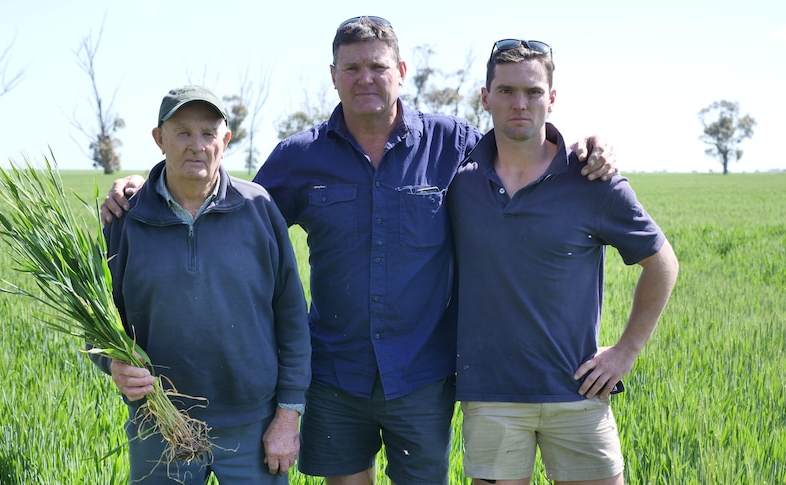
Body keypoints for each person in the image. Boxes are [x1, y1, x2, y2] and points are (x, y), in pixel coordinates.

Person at [100, 18, 617, 485]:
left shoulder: (452, 143)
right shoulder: (298, 157)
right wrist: (141, 186)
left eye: (377, 66)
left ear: (402, 71)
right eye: (352, 68)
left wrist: (584, 146)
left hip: (421, 375)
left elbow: (521, 147)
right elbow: (224, 214)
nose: (365, 77)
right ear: (333, 75)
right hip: (333, 374)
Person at [447, 39, 680, 485]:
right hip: (491, 396)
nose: (521, 103)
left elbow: (663, 263)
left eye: (534, 92)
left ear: (552, 99)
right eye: (507, 91)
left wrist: (625, 353)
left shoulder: (592, 179)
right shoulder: (458, 179)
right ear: (485, 97)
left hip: (578, 392)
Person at [90, 85, 311, 484]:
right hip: (158, 423)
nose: (197, 145)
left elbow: (292, 319)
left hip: (253, 427)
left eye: (208, 133)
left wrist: (287, 416)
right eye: (183, 132)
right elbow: (94, 320)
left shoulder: (259, 209)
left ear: (224, 141)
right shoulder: (124, 219)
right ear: (159, 139)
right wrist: (113, 363)